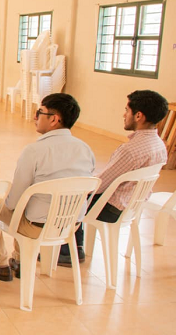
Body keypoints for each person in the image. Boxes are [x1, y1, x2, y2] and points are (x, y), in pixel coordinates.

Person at [0, 93, 95, 281]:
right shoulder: (86, 149)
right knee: (27, 207)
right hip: (70, 225)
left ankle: (0, 263)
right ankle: (19, 259)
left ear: (54, 119)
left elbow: (14, 201)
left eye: (40, 112)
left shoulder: (34, 151)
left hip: (37, 227)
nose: (34, 117)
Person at [58, 90, 169, 266]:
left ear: (138, 116)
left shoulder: (130, 150)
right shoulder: (159, 145)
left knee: (70, 198)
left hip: (112, 209)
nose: (124, 115)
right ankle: (74, 247)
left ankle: (68, 252)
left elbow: (100, 185)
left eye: (127, 110)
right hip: (132, 205)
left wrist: (77, 187)